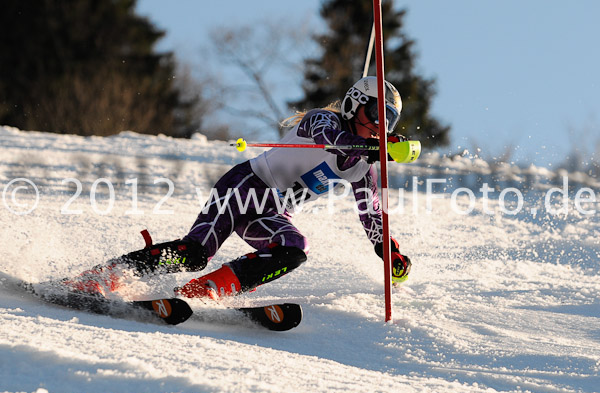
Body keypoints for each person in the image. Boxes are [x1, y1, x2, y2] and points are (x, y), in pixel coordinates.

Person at [63, 76, 412, 299]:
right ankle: (103, 276)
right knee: (193, 254)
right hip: (245, 186)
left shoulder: (363, 168)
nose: (379, 127)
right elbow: (330, 138)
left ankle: (208, 290)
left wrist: (389, 251)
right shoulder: (325, 120)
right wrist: (366, 146)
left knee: (295, 247)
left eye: (388, 122)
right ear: (353, 104)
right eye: (374, 115)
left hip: (271, 211)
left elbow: (372, 214)